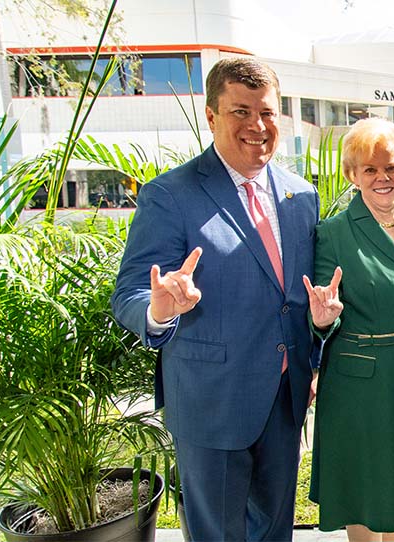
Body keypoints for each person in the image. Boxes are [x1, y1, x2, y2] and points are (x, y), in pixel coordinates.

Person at [111, 57, 325, 541]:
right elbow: (129, 292)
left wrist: (312, 357)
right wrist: (160, 308)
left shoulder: (301, 195)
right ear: (211, 117)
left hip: (285, 397)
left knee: (275, 529)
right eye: (241, 111)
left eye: (267, 113)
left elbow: (301, 295)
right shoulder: (170, 195)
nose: (257, 125)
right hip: (211, 400)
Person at [308, 117, 394, 542]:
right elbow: (319, 311)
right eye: (370, 169)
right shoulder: (332, 234)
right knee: (368, 490)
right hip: (361, 381)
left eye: (391, 167)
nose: (382, 178)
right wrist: (322, 317)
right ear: (353, 175)